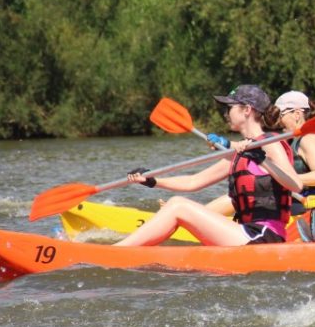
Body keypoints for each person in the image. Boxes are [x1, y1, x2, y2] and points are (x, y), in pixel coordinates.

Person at [116, 85, 301, 246]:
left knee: (177, 205)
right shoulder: (240, 152)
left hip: (264, 236)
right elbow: (193, 181)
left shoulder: (270, 143)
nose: (226, 113)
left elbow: (295, 184)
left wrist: (262, 160)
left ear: (247, 110)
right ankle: (131, 250)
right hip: (246, 231)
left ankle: (117, 251)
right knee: (177, 204)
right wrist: (153, 181)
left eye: (229, 107)